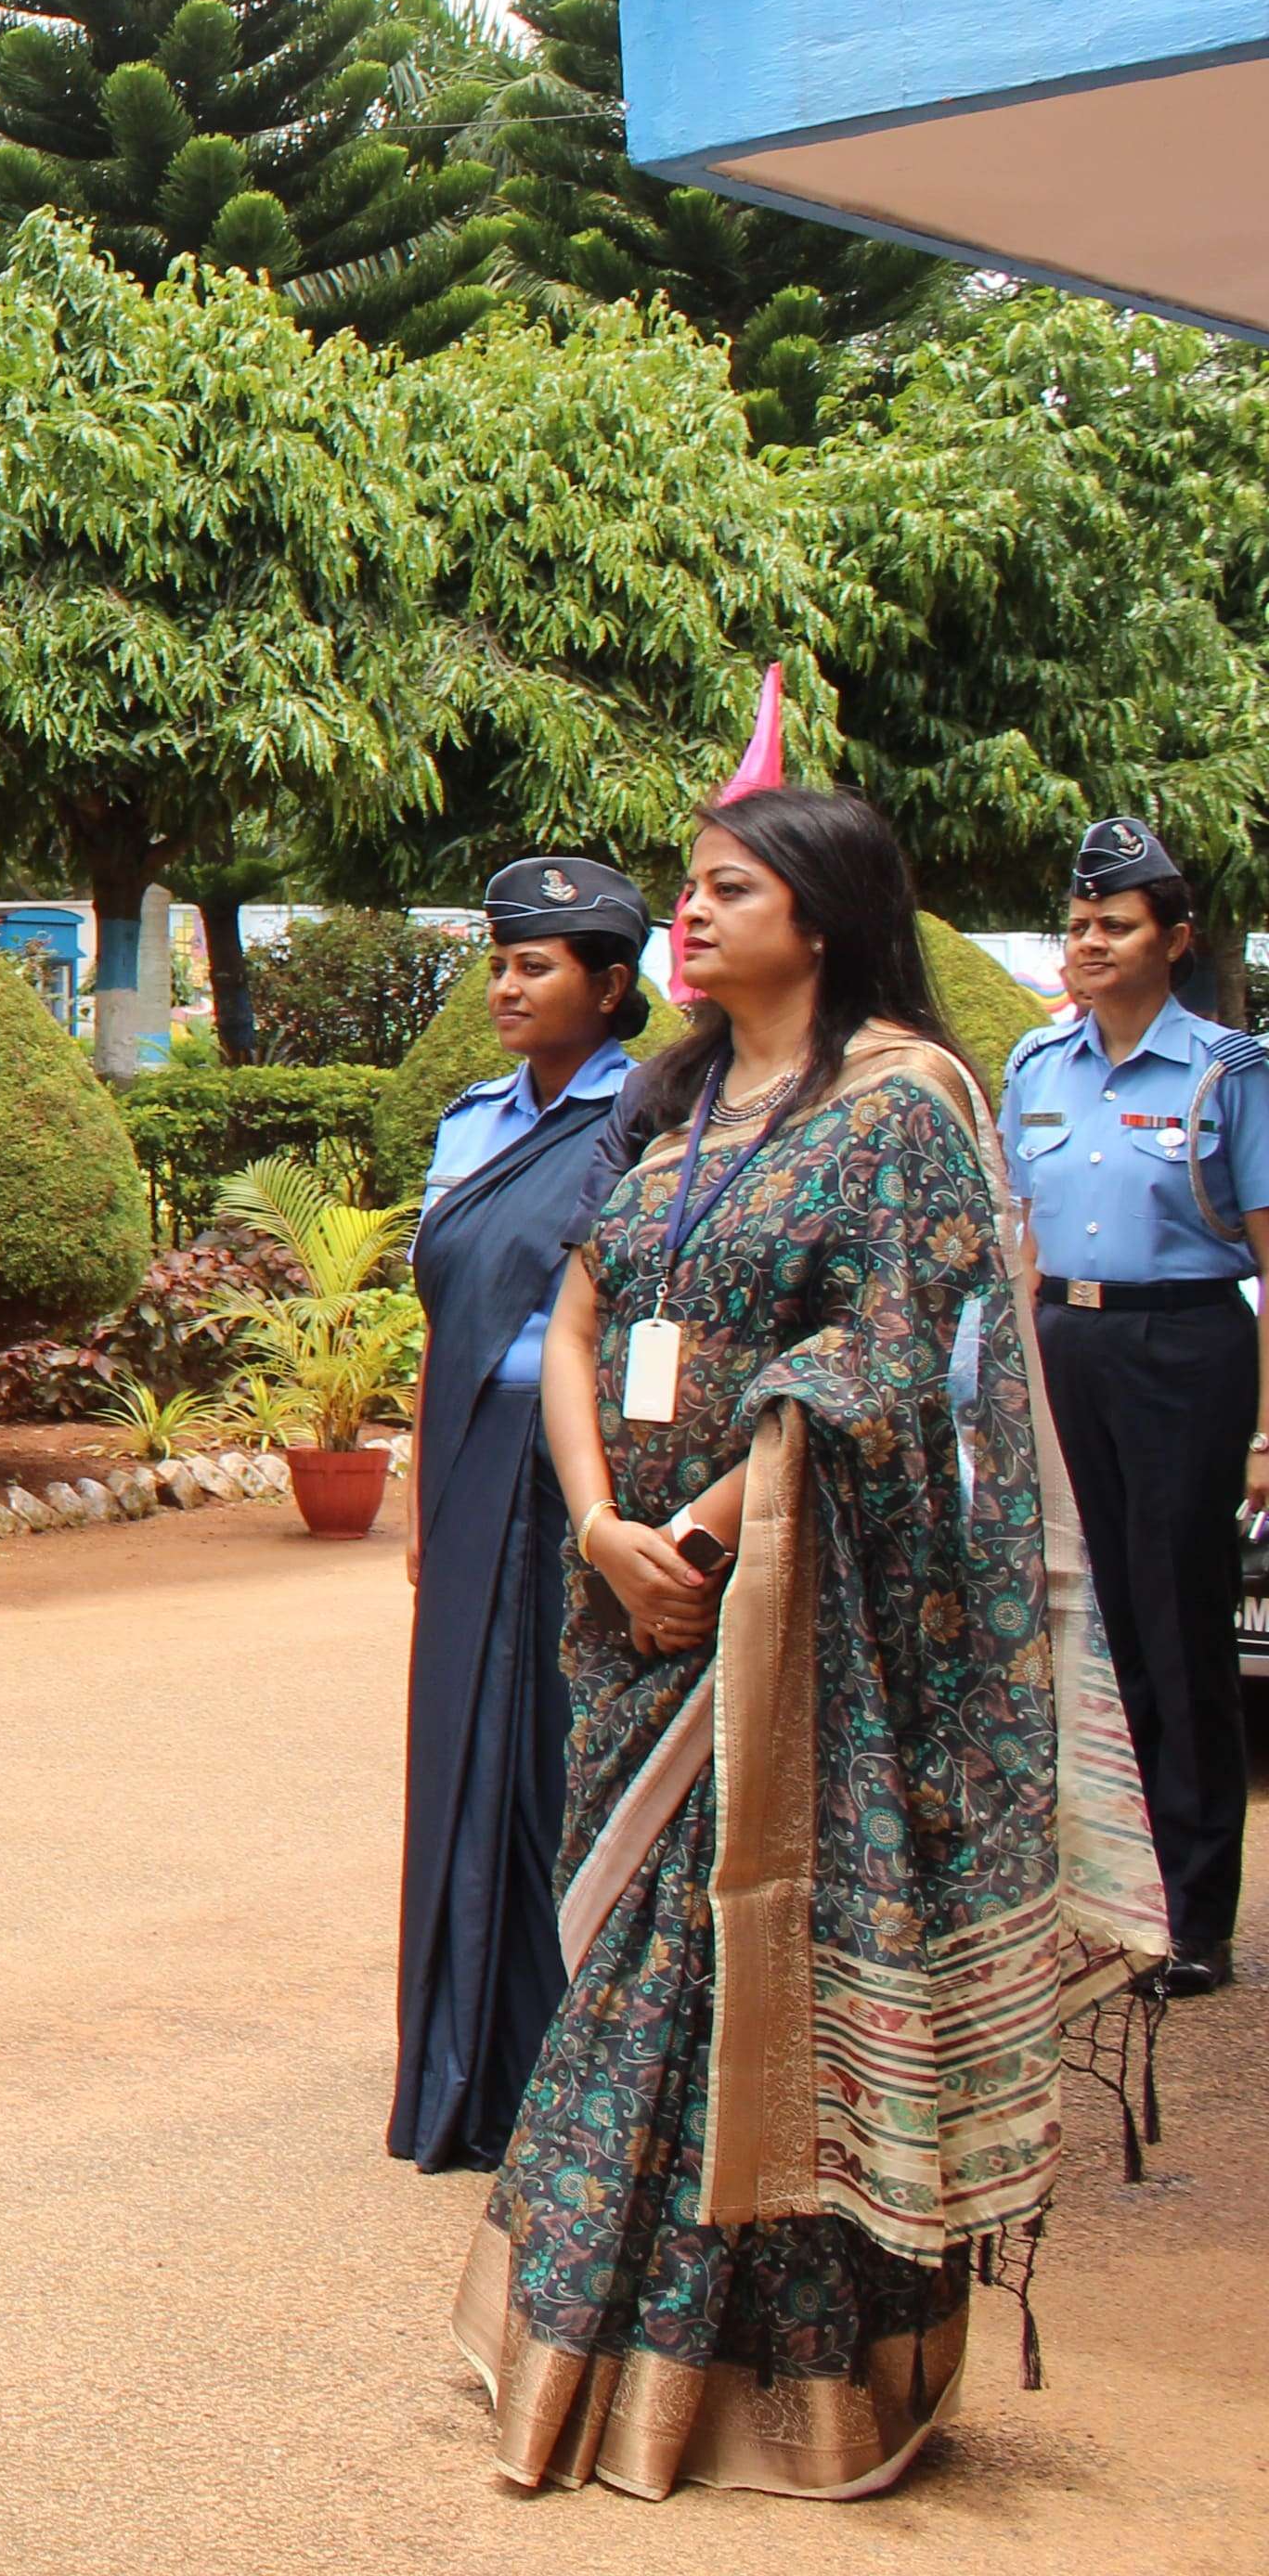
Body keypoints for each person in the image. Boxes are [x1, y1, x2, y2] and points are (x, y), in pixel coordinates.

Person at [465, 787, 1167, 2500]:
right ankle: (588, 2358)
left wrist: (694, 1533)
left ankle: (776, 2388)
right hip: (624, 1605)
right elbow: (575, 1312)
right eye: (687, 894)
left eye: (722, 893)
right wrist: (594, 1524)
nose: (684, 922)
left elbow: (883, 1355)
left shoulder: (906, 1101)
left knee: (720, 1977)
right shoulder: (671, 1096)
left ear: (822, 916)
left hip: (782, 1621)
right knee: (631, 1957)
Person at [392, 856, 653, 2173]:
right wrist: (423, 1496)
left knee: (565, 1756)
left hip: (589, 1468)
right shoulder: (469, 1125)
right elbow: (445, 1319)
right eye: (498, 960)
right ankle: (456, 2073)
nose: (504, 983)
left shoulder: (651, 1121)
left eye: (535, 964)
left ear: (610, 988)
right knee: (459, 1762)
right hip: (471, 1453)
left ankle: (569, 2074)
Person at [999, 816, 1256, 1999]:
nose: (1089, 944)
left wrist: (1265, 1430)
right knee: (1076, 1623)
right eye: (1080, 925)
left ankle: (1192, 1915)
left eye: (1116, 925)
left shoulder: (1227, 1072)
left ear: (1176, 938)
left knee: (1173, 1623)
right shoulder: (1034, 1068)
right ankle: (1100, 1898)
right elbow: (1012, 1236)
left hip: (1183, 1348)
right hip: (1064, 1344)